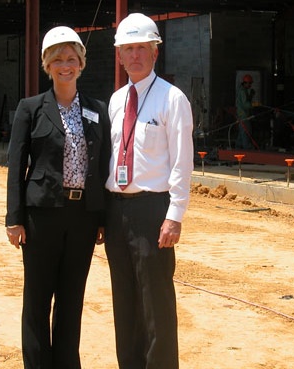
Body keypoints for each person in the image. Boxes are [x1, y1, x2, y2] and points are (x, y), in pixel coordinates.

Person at [5, 26, 111, 369]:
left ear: (81, 64)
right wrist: (14, 217)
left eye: (71, 59)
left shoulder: (97, 109)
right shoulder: (30, 109)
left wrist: (101, 218)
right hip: (42, 217)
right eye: (57, 59)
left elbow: (104, 164)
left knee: (71, 300)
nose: (65, 65)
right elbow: (16, 165)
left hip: (82, 217)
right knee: (37, 300)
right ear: (47, 66)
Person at [104, 13, 194, 369]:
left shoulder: (172, 100)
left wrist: (174, 216)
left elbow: (182, 162)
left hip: (152, 212)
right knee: (124, 302)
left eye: (142, 47)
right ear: (120, 56)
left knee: (155, 303)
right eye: (128, 49)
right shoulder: (115, 101)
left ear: (156, 52)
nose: (135, 55)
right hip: (116, 211)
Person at [235, 74, 256, 149]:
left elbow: (245, 101)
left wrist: (251, 95)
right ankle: (247, 149)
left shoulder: (243, 91)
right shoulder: (242, 91)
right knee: (246, 132)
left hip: (242, 116)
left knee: (241, 134)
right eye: (249, 83)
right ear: (245, 83)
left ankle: (237, 148)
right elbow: (245, 104)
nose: (250, 85)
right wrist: (254, 104)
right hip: (244, 116)